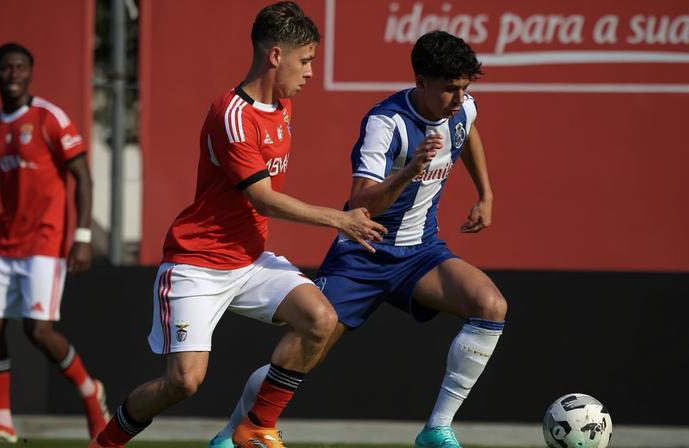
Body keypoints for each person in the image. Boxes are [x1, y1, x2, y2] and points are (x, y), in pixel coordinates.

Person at [89, 2, 386, 447]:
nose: (309, 73)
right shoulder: (231, 114)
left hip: (248, 262)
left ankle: (252, 428)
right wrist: (339, 219)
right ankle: (105, 442)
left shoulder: (283, 107)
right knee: (184, 383)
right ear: (274, 57)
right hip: (197, 265)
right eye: (304, 61)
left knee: (320, 319)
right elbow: (261, 198)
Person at [208, 30, 508, 448]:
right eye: (450, 89)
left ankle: (437, 429)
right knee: (303, 351)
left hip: (420, 252)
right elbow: (364, 204)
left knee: (490, 304)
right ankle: (230, 435)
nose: (459, 99)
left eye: (465, 88)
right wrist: (410, 169)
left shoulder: (462, 108)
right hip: (364, 252)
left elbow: (467, 130)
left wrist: (485, 194)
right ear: (421, 82)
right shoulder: (386, 123)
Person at [0, 42, 109, 444]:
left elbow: (83, 176)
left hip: (45, 243)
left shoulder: (48, 118)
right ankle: (2, 422)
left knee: (38, 330)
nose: (12, 73)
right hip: (2, 245)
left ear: (30, 72)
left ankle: (90, 393)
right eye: (4, 68)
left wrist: (81, 237)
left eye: (20, 67)